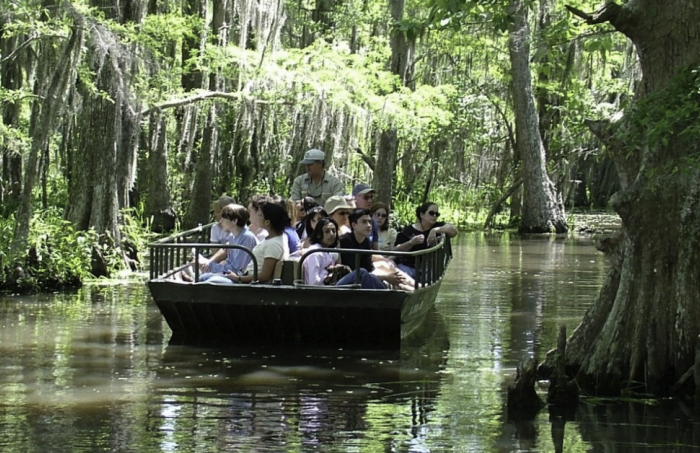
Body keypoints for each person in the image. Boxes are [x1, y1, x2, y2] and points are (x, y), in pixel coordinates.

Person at [221, 203, 291, 284]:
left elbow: (265, 275)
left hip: (253, 285)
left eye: (260, 215)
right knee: (207, 278)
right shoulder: (274, 238)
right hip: (248, 280)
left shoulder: (274, 244)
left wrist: (238, 278)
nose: (257, 217)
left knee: (209, 280)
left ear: (267, 222)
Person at [336, 209, 405, 289]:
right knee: (362, 272)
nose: (368, 225)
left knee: (378, 279)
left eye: (369, 222)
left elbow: (369, 269)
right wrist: (386, 277)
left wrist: (387, 278)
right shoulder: (345, 241)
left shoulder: (366, 242)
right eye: (364, 222)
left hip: (360, 279)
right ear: (354, 225)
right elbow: (354, 272)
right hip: (343, 281)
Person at [195, 204, 259, 283]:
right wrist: (207, 265)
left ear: (234, 221)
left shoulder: (247, 237)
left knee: (210, 281)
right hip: (231, 275)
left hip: (241, 278)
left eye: (224, 218)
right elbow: (229, 261)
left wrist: (210, 266)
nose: (220, 221)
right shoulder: (232, 236)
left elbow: (237, 268)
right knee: (203, 277)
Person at [394, 201, 458, 279]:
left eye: (437, 214)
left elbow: (454, 231)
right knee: (401, 274)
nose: (434, 216)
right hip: (408, 266)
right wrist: (411, 243)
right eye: (431, 213)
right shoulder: (409, 230)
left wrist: (435, 230)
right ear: (422, 215)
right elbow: (396, 250)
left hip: (429, 269)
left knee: (429, 276)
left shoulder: (438, 226)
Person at [302, 218, 344, 285]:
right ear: (318, 234)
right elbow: (313, 283)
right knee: (362, 273)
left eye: (334, 231)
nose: (332, 234)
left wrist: (335, 272)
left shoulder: (327, 251)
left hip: (329, 289)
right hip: (317, 293)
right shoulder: (315, 252)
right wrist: (328, 270)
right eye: (327, 231)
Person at [352, 183, 379, 250]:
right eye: (366, 197)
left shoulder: (372, 221)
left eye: (371, 197)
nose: (370, 200)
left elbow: (375, 248)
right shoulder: (347, 218)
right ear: (355, 198)